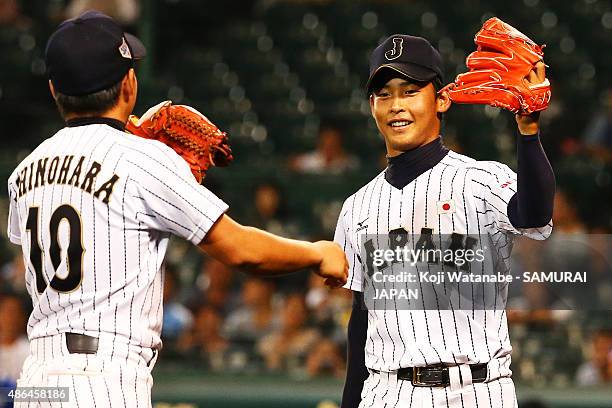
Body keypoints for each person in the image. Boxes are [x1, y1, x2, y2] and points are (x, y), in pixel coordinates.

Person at [6, 10, 347, 407]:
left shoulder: (24, 171)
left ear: (53, 90)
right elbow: (241, 250)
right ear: (129, 84)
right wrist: (317, 252)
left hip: (36, 380)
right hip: (103, 376)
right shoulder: (144, 159)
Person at [334, 34, 555, 407]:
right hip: (389, 392)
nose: (396, 105)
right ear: (372, 105)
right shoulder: (356, 207)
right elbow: (362, 323)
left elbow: (534, 214)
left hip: (479, 389)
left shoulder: (481, 181)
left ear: (442, 99)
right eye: (384, 94)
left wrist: (528, 131)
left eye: (409, 91)